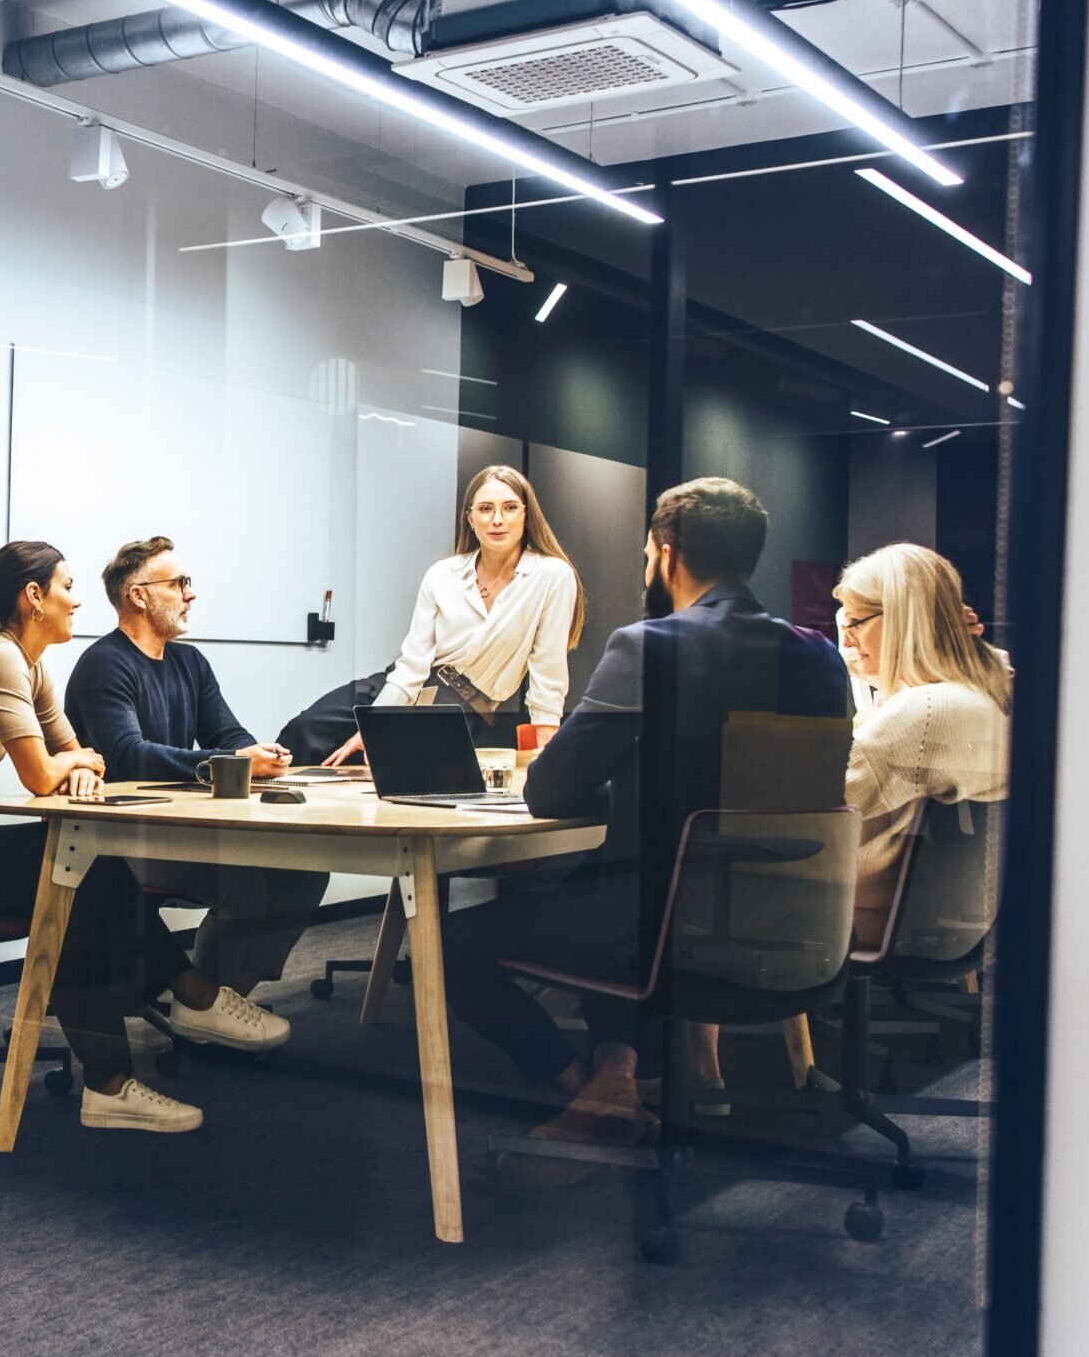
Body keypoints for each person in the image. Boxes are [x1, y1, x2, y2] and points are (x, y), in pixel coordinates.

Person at [438, 478, 851, 1168]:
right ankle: (610, 1085)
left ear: (665, 555)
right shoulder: (820, 657)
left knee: (449, 944)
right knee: (606, 897)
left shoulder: (649, 645)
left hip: (659, 924)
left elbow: (550, 790)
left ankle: (586, 1095)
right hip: (788, 920)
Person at [0, 541, 285, 1136]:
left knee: (78, 871)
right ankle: (184, 1001)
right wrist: (73, 763)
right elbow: (41, 773)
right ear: (34, 598)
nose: (77, 600)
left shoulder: (29, 667)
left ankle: (118, 1073)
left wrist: (79, 762)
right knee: (78, 866)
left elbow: (85, 754)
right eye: (66, 587)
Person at [65, 537, 328, 999]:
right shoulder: (103, 664)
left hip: (180, 828)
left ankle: (228, 997)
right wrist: (230, 762)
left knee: (305, 871)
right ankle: (206, 1008)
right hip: (121, 837)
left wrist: (259, 755)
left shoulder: (189, 661)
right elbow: (128, 756)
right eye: (180, 583)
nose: (191, 594)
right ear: (139, 595)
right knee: (242, 884)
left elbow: (227, 735)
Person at [316, 465, 584, 765]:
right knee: (310, 731)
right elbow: (412, 664)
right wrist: (374, 725)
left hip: (457, 709)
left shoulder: (552, 575)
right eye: (485, 509)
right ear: (470, 517)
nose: (497, 520)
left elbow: (547, 669)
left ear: (526, 514)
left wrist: (547, 749)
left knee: (399, 777)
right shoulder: (443, 573)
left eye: (509, 508)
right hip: (401, 686)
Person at [835, 543, 1010, 946]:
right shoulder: (985, 694)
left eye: (855, 622)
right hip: (954, 920)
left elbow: (822, 810)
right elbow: (870, 655)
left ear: (901, 619)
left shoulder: (923, 714)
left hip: (862, 918)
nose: (845, 637)